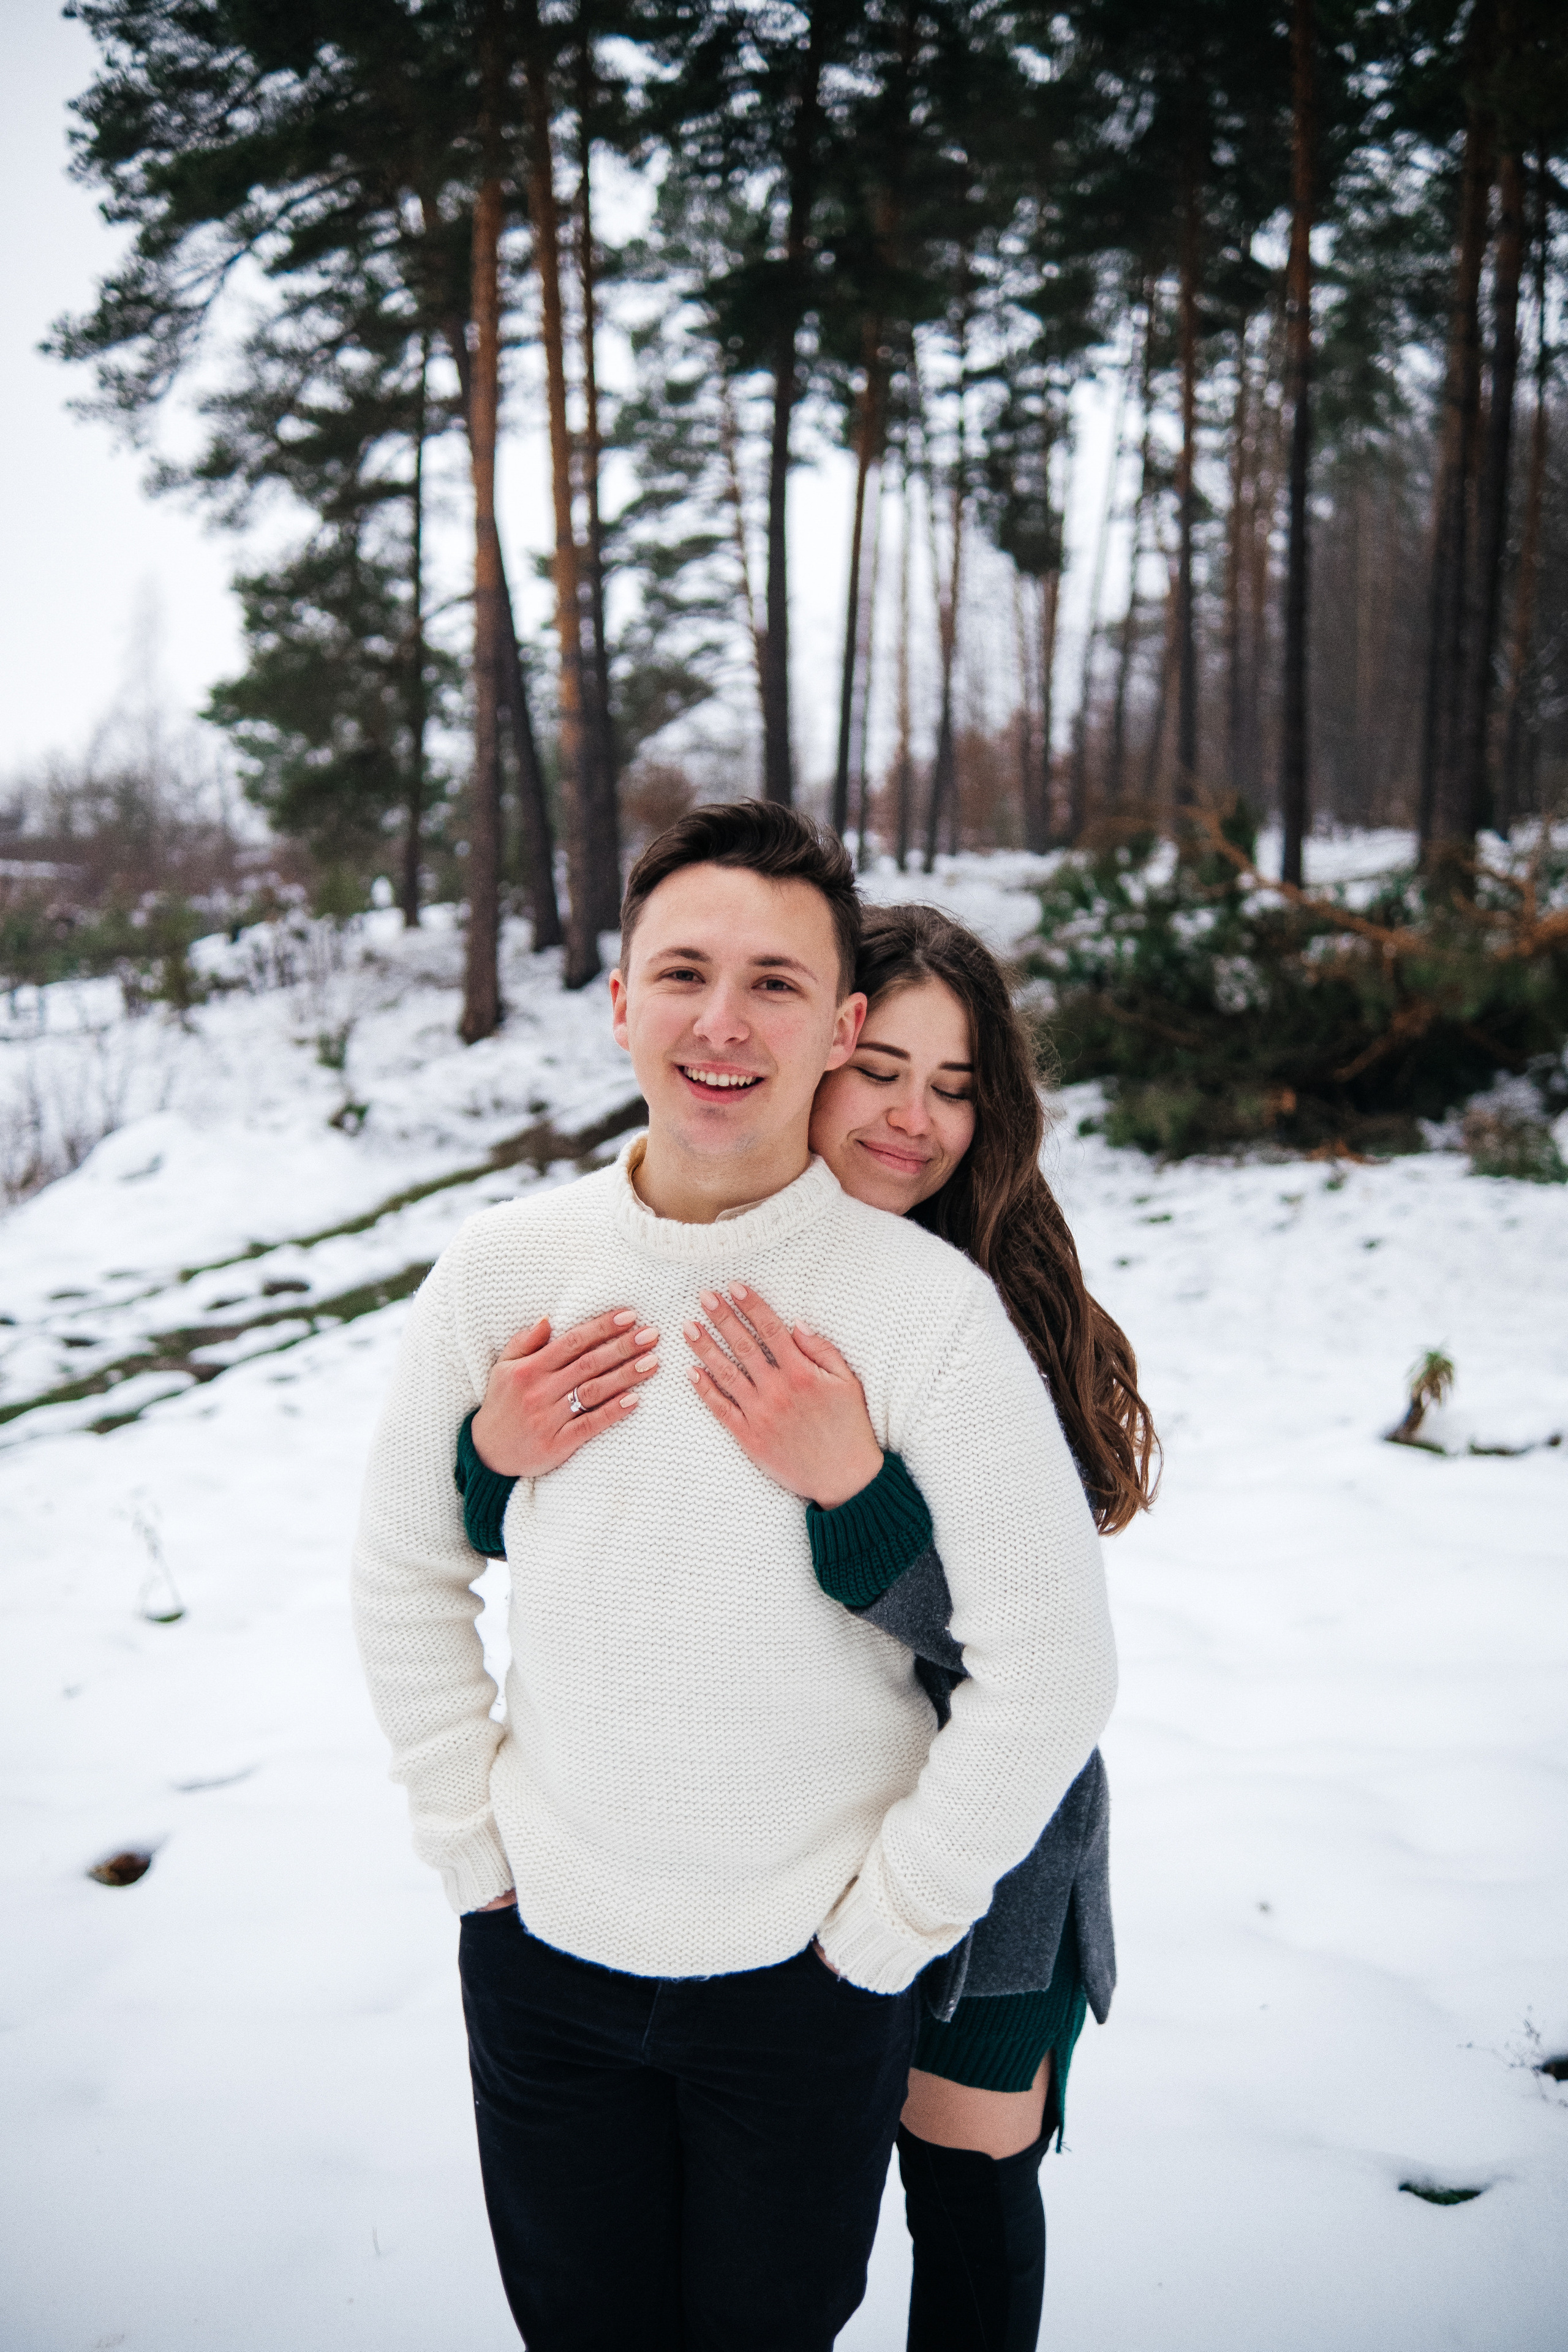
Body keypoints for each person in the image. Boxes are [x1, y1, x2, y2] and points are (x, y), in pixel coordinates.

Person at [352, 803, 1116, 2352]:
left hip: (837, 1948)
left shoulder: (938, 1308)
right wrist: (468, 1848)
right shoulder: (504, 1269)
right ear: (618, 999)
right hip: (546, 1949)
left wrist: (879, 1938)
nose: (721, 1020)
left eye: (773, 982)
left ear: (825, 1023)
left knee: (944, 2204)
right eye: (682, 973)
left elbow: (1046, 1662)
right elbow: (405, 1562)